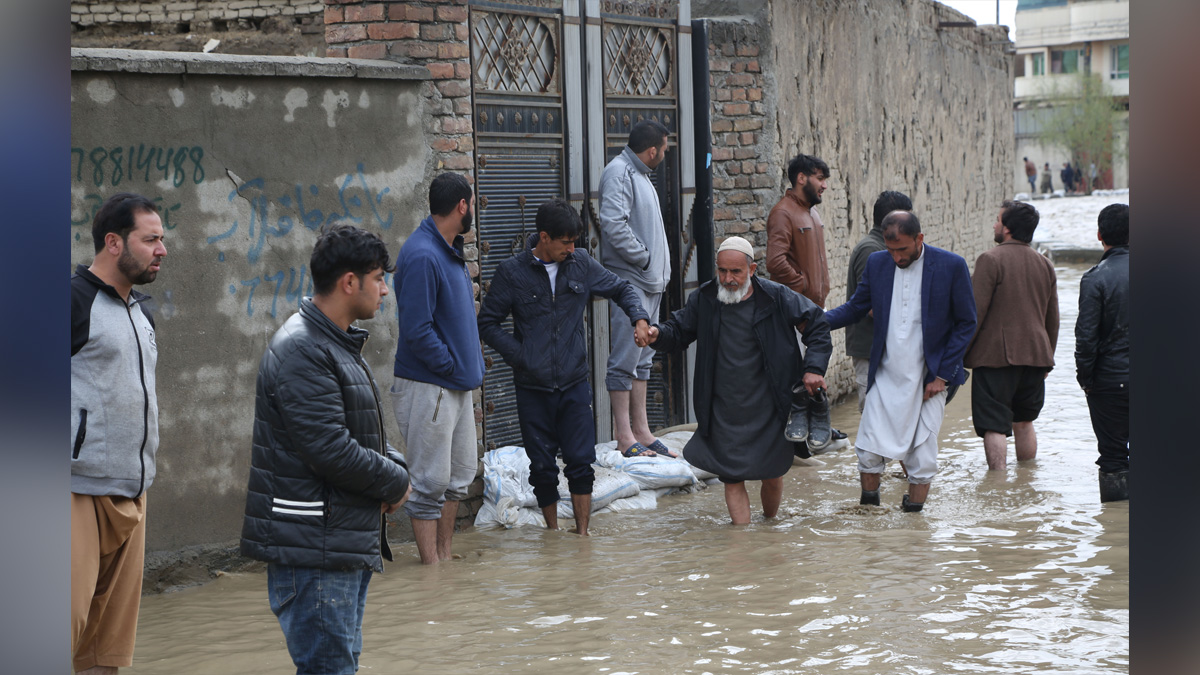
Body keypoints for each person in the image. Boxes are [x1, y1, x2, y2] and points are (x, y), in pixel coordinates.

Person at [240, 223, 411, 674]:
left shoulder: (332, 342)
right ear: (348, 282)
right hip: (315, 550)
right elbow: (331, 449)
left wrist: (396, 468)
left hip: (335, 543)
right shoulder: (304, 349)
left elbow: (361, 432)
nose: (385, 291)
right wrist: (396, 482)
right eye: (379, 278)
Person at [479, 199, 651, 535]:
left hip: (573, 383)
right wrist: (521, 355)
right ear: (544, 237)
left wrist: (639, 317)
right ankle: (553, 533)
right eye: (565, 242)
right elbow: (487, 323)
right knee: (542, 467)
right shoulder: (512, 273)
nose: (571, 249)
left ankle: (583, 535)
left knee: (580, 462)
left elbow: (621, 288)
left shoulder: (581, 265)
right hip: (532, 387)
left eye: (575, 242)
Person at [645, 236, 832, 525]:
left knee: (772, 474)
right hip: (723, 407)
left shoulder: (776, 297)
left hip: (770, 404)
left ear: (752, 269)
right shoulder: (705, 298)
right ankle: (742, 546)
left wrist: (814, 368)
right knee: (732, 478)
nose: (728, 279)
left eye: (736, 272)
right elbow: (679, 329)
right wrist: (658, 335)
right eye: (722, 271)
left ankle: (769, 527)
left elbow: (817, 323)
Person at [71, 192, 167, 675]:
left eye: (162, 239)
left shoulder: (143, 312)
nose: (162, 250)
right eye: (150, 239)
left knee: (105, 655)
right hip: (73, 493)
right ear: (113, 242)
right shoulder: (70, 301)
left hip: (134, 492)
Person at [825, 211, 976, 512]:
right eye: (891, 250)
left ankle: (913, 529)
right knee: (867, 450)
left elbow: (966, 323)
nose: (896, 257)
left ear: (919, 239)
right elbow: (856, 307)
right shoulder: (877, 263)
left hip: (929, 379)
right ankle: (869, 516)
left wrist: (942, 377)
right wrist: (817, 321)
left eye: (902, 250)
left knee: (921, 456)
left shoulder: (951, 266)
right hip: (884, 375)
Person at [392, 172, 486, 564]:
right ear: (461, 206)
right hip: (430, 385)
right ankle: (431, 571)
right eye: (473, 202)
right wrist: (450, 366)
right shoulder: (422, 254)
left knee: (459, 478)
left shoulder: (449, 249)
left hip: (456, 386)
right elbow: (417, 330)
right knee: (430, 482)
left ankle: (444, 561)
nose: (474, 209)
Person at [597, 119, 675, 458]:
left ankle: (641, 431)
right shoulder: (618, 173)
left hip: (652, 283)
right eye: (665, 149)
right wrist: (643, 259)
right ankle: (624, 435)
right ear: (652, 149)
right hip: (632, 282)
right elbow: (612, 224)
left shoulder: (641, 175)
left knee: (643, 359)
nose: (666, 154)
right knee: (625, 360)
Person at [963, 201, 1059, 470]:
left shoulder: (990, 259)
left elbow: (974, 314)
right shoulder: (1045, 264)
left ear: (1007, 228)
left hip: (996, 359)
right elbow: (1053, 319)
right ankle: (1026, 481)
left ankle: (998, 485)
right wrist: (1047, 358)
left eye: (997, 220)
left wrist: (957, 356)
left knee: (994, 424)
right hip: (1036, 357)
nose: (994, 224)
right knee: (1025, 420)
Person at [765, 153, 846, 451]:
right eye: (820, 178)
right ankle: (795, 441)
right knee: (799, 374)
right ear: (802, 178)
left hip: (813, 309)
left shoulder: (812, 213)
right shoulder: (783, 212)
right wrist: (803, 289)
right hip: (796, 311)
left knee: (813, 369)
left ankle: (814, 428)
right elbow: (775, 262)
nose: (824, 185)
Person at [1075, 203, 1129, 502]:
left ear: (1099, 235)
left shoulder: (1096, 277)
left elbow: (1086, 338)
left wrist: (1086, 380)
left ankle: (1114, 533)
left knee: (1112, 456)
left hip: (1110, 381)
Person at [845, 191, 913, 412]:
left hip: (885, 348)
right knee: (874, 417)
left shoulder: (883, 248)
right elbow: (873, 306)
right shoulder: (871, 251)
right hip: (870, 349)